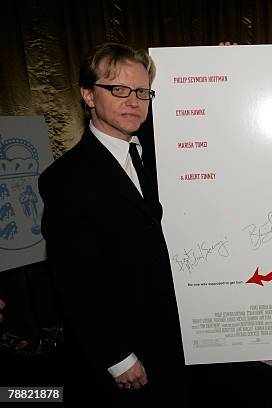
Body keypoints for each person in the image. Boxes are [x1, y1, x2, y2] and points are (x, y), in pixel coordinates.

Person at [39, 43, 187, 406]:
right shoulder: (65, 179)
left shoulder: (162, 156)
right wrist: (115, 356)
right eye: (118, 89)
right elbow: (73, 282)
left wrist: (225, 67)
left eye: (141, 92)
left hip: (181, 344)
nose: (133, 101)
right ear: (88, 95)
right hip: (130, 354)